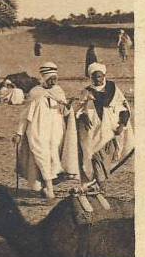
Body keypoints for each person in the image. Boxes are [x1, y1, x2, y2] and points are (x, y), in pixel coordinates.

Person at [14, 62, 78, 200]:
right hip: (37, 130)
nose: (53, 82)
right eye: (50, 79)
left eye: (55, 79)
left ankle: (45, 186)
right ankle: (49, 190)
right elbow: (25, 115)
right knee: (41, 156)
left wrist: (68, 107)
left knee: (53, 159)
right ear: (44, 77)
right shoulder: (35, 92)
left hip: (55, 132)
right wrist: (19, 133)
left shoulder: (58, 91)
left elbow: (64, 111)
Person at [75, 62, 134, 191]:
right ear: (91, 77)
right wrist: (82, 115)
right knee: (94, 158)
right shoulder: (86, 92)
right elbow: (78, 109)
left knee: (105, 160)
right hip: (93, 133)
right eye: (94, 77)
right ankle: (100, 186)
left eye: (100, 76)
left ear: (104, 76)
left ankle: (99, 184)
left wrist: (122, 124)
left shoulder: (113, 89)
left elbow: (124, 108)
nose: (97, 79)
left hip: (111, 132)